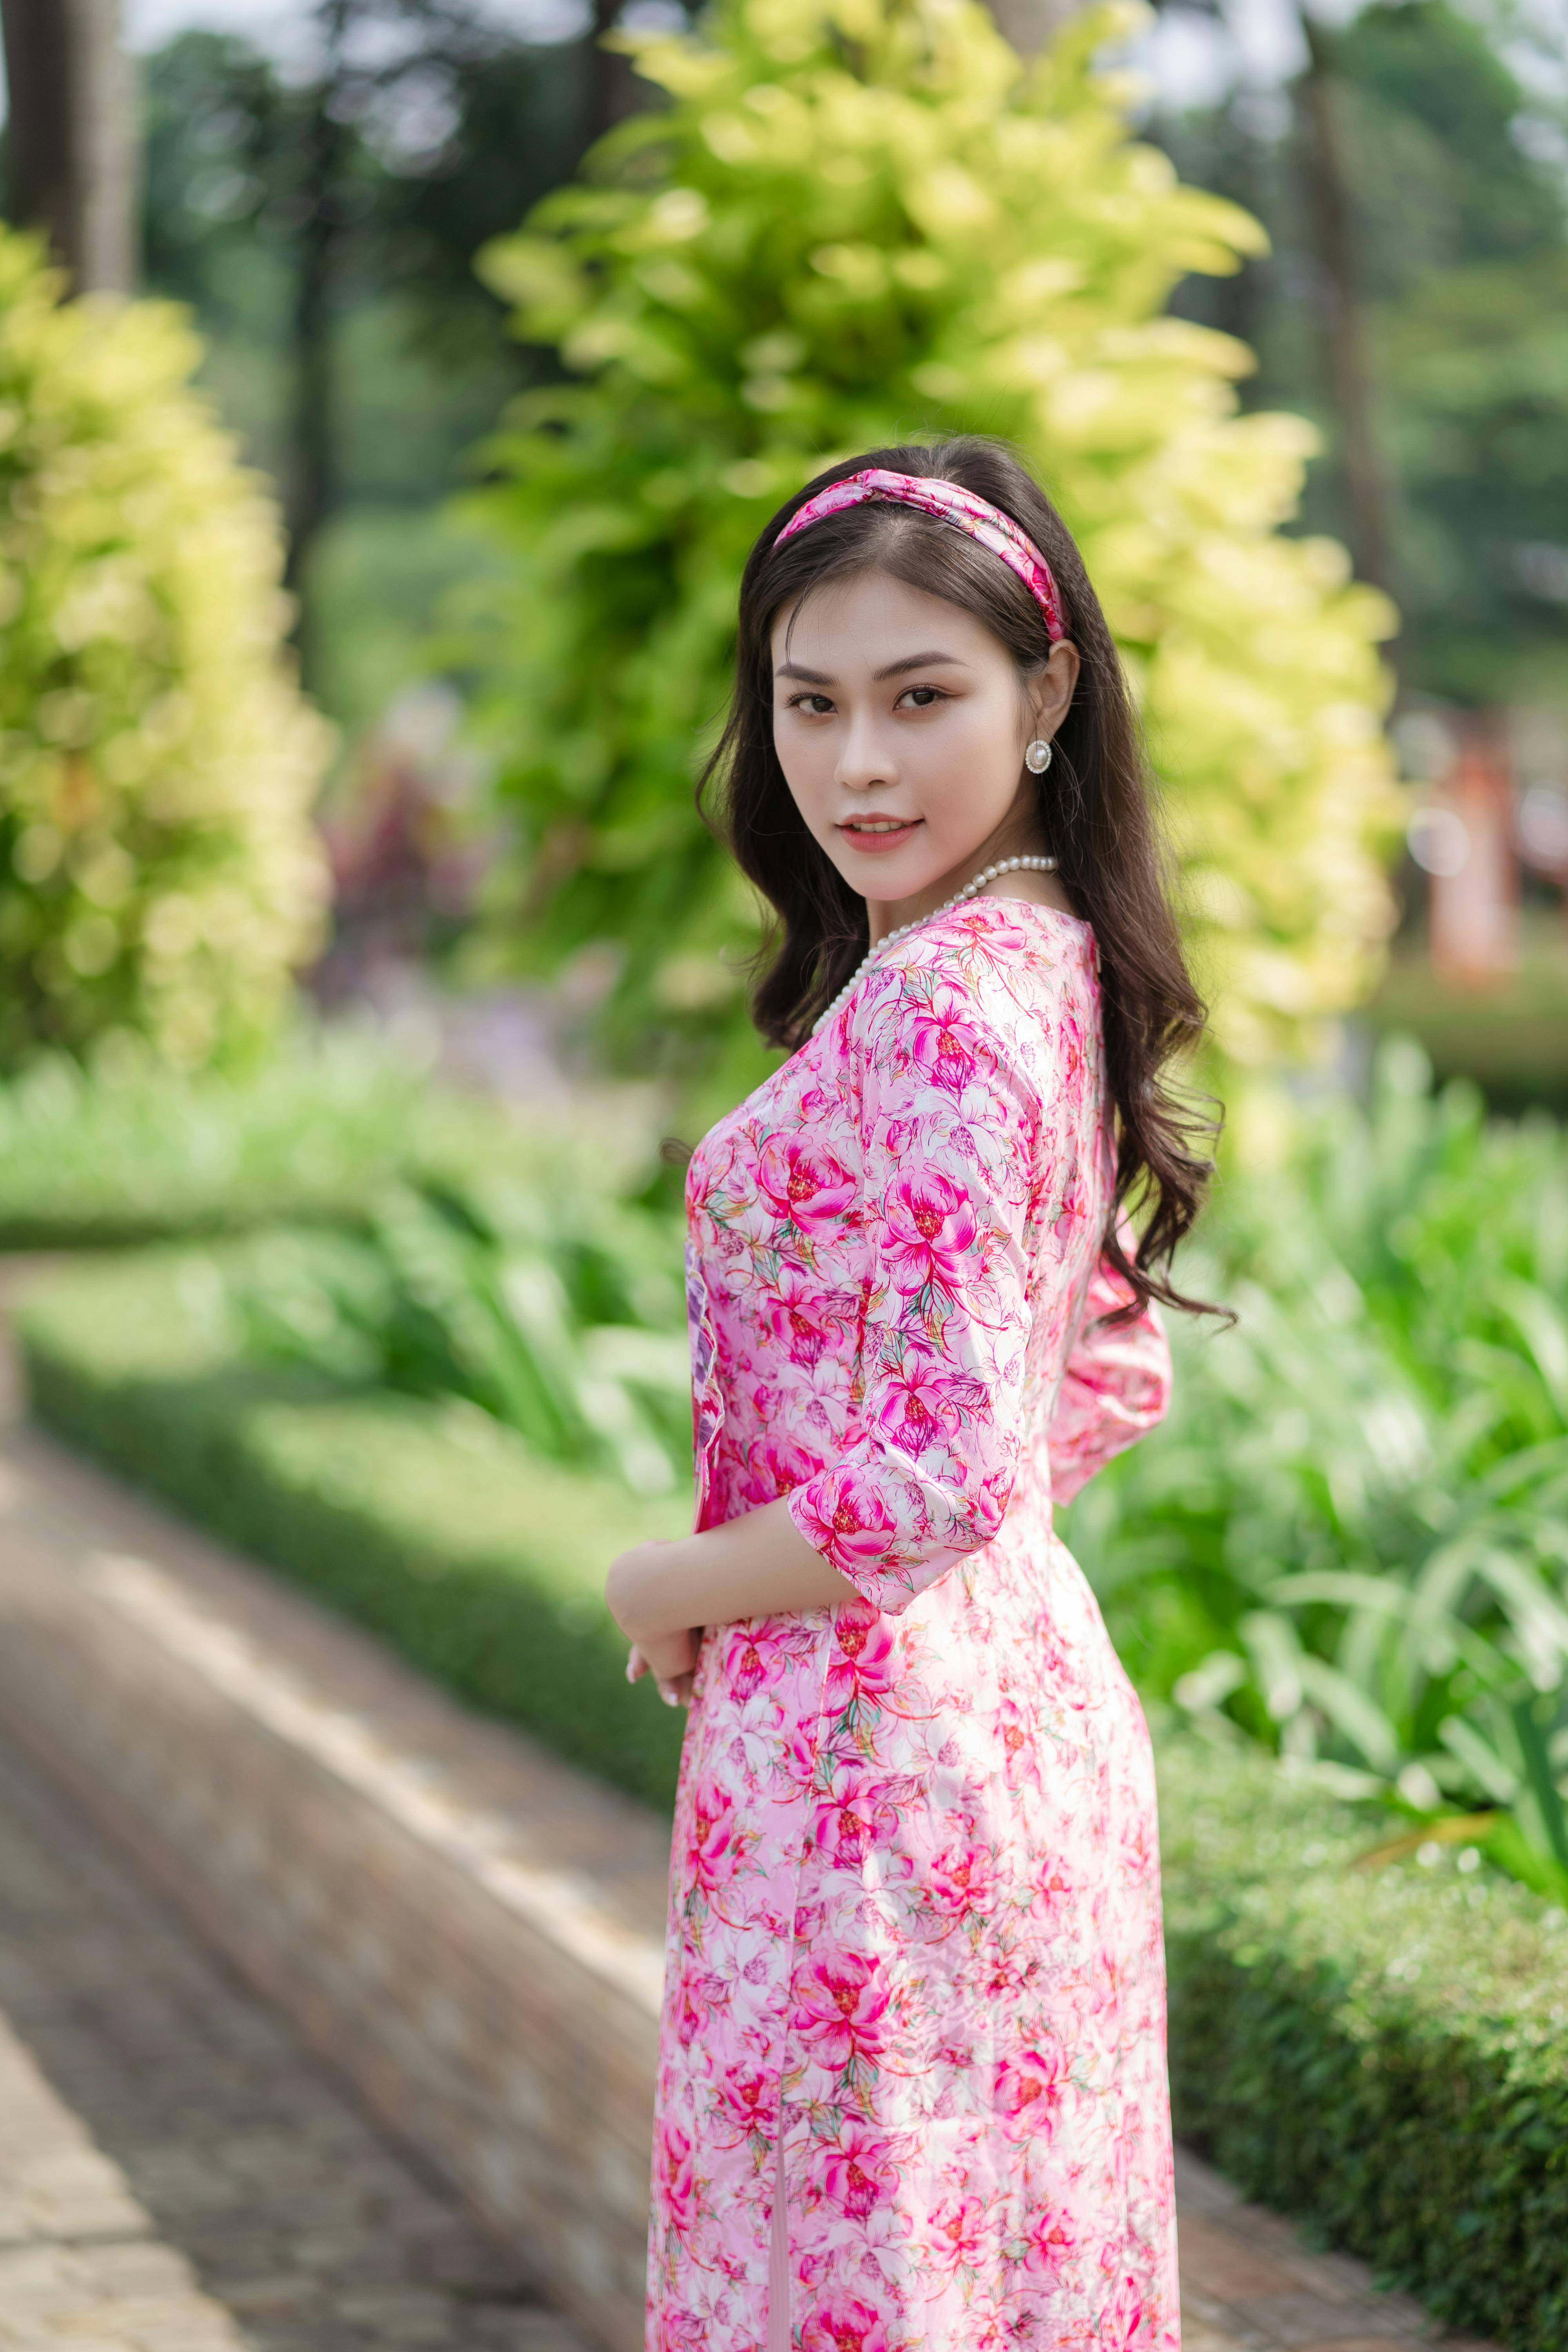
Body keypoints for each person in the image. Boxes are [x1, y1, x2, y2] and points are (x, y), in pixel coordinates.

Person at [605, 437, 1216, 2352]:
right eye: (810, 704)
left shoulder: (948, 1004)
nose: (858, 765)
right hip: (991, 1718)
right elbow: (1104, 1368)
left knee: (866, 2295)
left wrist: (672, 1585)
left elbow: (937, 1474)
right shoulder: (1037, 964)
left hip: (880, 1778)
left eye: (920, 699)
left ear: (1045, 697)